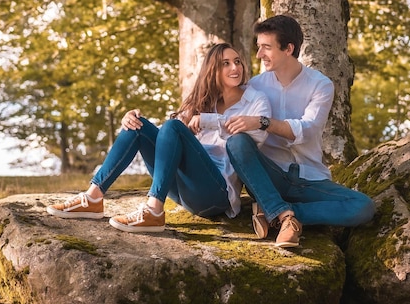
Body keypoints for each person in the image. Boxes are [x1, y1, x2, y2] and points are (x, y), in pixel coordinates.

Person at [47, 43, 271, 232]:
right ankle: (93, 198)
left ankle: (153, 211)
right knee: (139, 125)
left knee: (173, 126)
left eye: (238, 61)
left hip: (214, 194)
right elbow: (168, 134)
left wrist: (209, 121)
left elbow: (256, 140)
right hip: (183, 188)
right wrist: (131, 120)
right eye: (226, 63)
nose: (235, 68)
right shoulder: (203, 100)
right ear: (212, 69)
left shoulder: (256, 100)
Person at [224, 15, 376, 248]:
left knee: (363, 207)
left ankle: (277, 213)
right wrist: (187, 116)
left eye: (266, 47)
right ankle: (280, 212)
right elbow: (220, 105)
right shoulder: (255, 85)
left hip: (309, 179)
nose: (259, 55)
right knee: (237, 142)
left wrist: (263, 122)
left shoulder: (320, 84)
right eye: (258, 47)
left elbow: (308, 129)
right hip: (269, 177)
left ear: (288, 49)